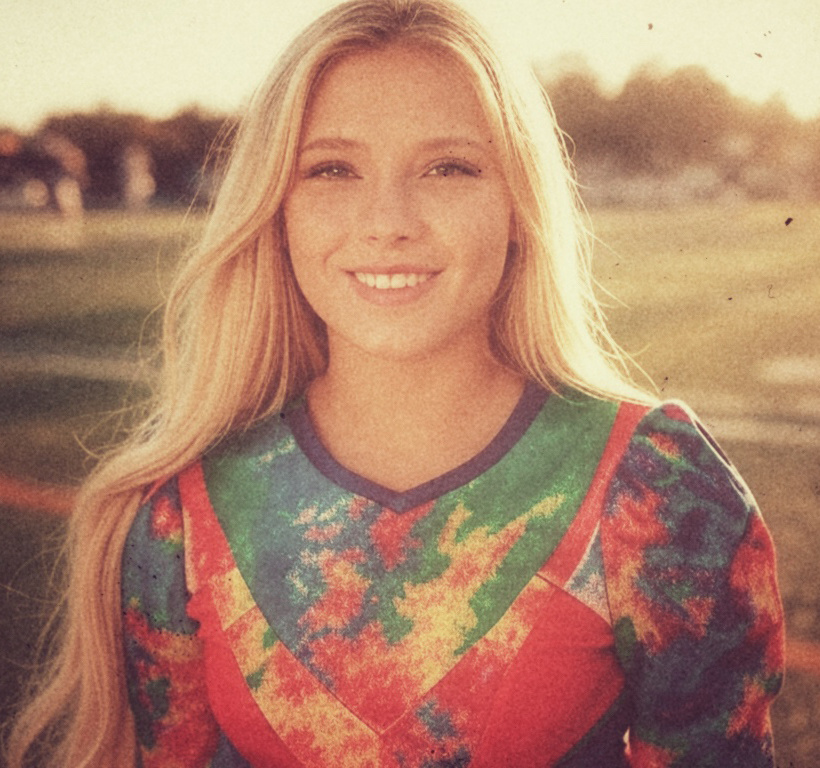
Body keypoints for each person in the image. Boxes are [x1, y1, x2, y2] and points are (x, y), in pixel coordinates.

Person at [6, 0, 785, 766]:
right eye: (332, 169)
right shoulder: (181, 510)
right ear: (276, 206)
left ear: (519, 202)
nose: (387, 220)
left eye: (448, 167)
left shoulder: (660, 487)